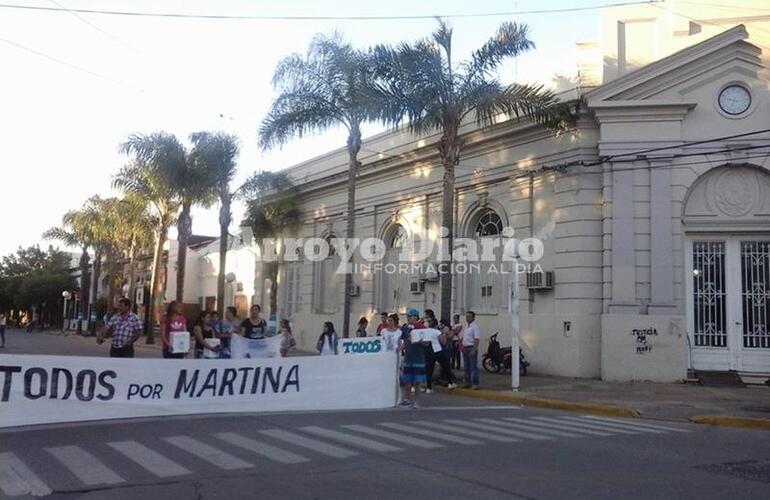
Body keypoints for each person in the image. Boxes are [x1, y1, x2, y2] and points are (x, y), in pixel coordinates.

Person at [399, 308, 427, 408]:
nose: (408, 318)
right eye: (407, 316)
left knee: (417, 381)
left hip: (418, 358)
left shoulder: (421, 327)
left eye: (410, 316)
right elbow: (403, 340)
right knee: (407, 379)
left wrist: (417, 340)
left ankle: (416, 401)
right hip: (408, 357)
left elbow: (426, 343)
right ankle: (407, 399)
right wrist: (399, 348)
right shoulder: (406, 327)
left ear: (415, 317)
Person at [462, 310, 481, 389]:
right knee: (466, 367)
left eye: (469, 316)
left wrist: (474, 349)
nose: (467, 318)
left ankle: (475, 383)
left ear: (473, 317)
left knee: (473, 366)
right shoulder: (466, 326)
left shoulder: (475, 327)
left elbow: (477, 339)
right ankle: (468, 382)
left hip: (471, 347)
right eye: (466, 316)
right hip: (465, 348)